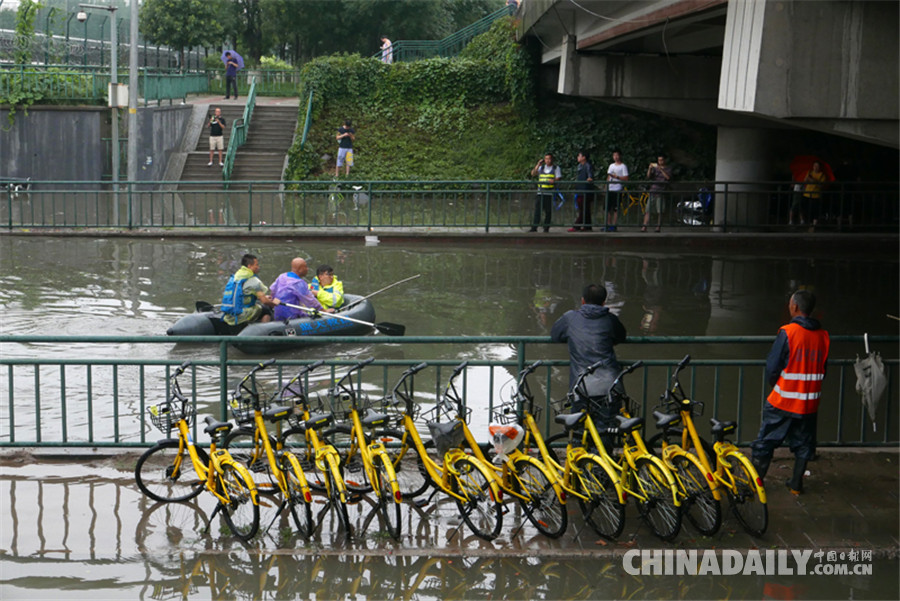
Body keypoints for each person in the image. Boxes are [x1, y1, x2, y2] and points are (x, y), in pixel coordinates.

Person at [751, 290, 829, 495]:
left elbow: (772, 367)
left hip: (783, 400)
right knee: (804, 444)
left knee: (765, 443)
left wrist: (778, 386)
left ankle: (755, 486)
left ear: (794, 307)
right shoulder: (823, 336)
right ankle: (796, 485)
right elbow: (823, 368)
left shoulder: (788, 332)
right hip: (809, 401)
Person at [551, 284, 627, 446]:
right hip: (610, 385)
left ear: (582, 301)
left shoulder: (570, 318)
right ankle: (603, 468)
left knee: (578, 431)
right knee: (605, 431)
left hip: (582, 386)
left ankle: (581, 467)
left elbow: (555, 335)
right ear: (604, 302)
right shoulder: (611, 320)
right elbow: (621, 336)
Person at [221, 254, 280, 326]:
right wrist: (274, 303)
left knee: (259, 305)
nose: (258, 267)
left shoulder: (235, 277)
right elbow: (264, 301)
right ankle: (264, 331)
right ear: (249, 266)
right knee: (266, 309)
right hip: (241, 314)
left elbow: (244, 293)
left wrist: (262, 297)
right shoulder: (254, 281)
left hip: (230, 313)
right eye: (256, 265)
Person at [269, 258, 334, 321]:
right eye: (305, 267)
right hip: (291, 316)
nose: (307, 269)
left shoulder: (282, 276)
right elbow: (310, 301)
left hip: (277, 314)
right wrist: (323, 311)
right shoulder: (298, 283)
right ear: (300, 269)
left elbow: (272, 290)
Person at [529, 153, 561, 233]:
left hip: (549, 193)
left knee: (548, 211)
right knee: (537, 211)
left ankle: (546, 228)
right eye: (546, 159)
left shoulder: (556, 168)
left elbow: (558, 178)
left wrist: (554, 180)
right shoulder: (541, 167)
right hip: (540, 192)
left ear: (552, 159)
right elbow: (533, 173)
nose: (547, 160)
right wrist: (538, 164)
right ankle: (534, 227)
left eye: (549, 159)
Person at [643, 155, 671, 232]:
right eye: (659, 160)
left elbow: (668, 178)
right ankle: (644, 226)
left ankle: (658, 226)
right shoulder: (655, 169)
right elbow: (649, 176)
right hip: (653, 190)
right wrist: (650, 168)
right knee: (648, 209)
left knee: (660, 211)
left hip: (661, 191)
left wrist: (661, 170)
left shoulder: (668, 168)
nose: (660, 162)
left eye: (661, 160)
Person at [569, 151, 594, 232]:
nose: (578, 157)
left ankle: (577, 225)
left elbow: (590, 175)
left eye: (579, 156)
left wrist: (590, 178)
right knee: (584, 209)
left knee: (583, 209)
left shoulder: (587, 165)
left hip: (585, 190)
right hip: (580, 189)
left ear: (584, 157)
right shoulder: (579, 166)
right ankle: (587, 226)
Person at [605, 150, 629, 232]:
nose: (615, 157)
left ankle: (614, 225)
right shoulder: (611, 166)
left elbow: (626, 178)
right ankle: (607, 225)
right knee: (607, 208)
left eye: (617, 155)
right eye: (614, 155)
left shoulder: (623, 166)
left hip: (617, 189)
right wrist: (606, 186)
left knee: (615, 208)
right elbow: (608, 176)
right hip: (610, 188)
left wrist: (617, 177)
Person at [803, 161, 827, 232]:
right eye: (814, 166)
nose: (815, 168)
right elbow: (805, 181)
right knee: (807, 210)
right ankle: (809, 224)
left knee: (815, 211)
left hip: (816, 195)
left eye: (817, 166)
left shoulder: (822, 175)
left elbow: (821, 185)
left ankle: (814, 226)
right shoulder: (810, 173)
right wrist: (807, 179)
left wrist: (813, 181)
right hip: (807, 194)